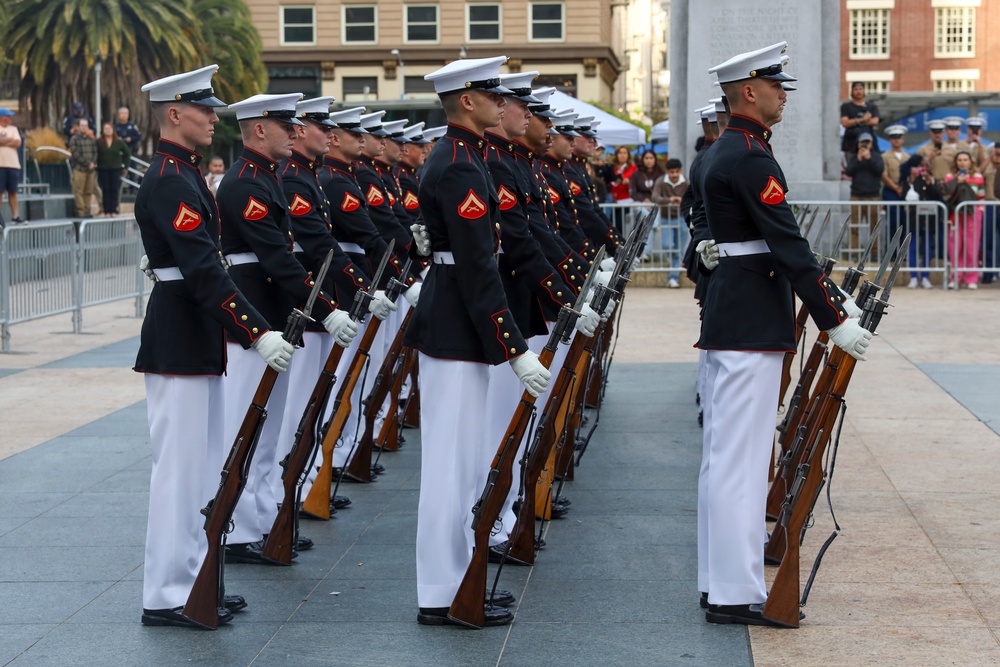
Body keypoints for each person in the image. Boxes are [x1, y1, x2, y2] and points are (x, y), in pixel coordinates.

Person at [697, 42, 870, 628]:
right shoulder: (749, 156)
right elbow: (787, 245)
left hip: (731, 314)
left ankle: (717, 579)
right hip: (750, 321)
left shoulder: (726, 150)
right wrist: (835, 318)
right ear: (748, 91)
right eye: (775, 86)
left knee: (724, 458)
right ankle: (732, 591)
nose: (783, 95)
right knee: (741, 463)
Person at [134, 64, 295, 629]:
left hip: (194, 334)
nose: (212, 118)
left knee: (201, 470)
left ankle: (193, 578)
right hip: (178, 336)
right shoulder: (170, 179)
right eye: (204, 110)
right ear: (175, 114)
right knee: (178, 471)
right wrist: (257, 329)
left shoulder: (185, 175)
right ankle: (165, 592)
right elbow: (202, 270)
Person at [402, 55, 550, 628]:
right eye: (491, 93)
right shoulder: (461, 164)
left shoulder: (463, 156)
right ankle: (440, 590)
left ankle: (457, 580)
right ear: (467, 99)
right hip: (456, 326)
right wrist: (513, 346)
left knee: (463, 465)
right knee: (450, 466)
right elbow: (477, 267)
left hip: (457, 324)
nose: (502, 102)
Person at [216, 93, 356, 564]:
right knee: (247, 425)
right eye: (285, 125)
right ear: (259, 129)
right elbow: (278, 256)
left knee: (270, 431)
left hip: (275, 315)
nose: (295, 132)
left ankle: (257, 520)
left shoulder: (270, 178)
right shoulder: (243, 183)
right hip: (252, 317)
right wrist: (328, 307)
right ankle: (234, 529)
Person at [942, 151, 985, 289]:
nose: (962, 162)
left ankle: (971, 277)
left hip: (972, 215)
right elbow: (946, 195)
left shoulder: (978, 177)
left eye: (965, 159)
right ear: (956, 162)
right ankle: (955, 277)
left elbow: (981, 197)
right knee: (955, 247)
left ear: (970, 162)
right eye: (959, 160)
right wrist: (957, 181)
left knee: (971, 247)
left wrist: (980, 211)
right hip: (955, 215)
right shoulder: (949, 177)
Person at [901, 155, 942, 289]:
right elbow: (904, 197)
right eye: (917, 166)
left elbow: (937, 196)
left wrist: (929, 182)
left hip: (928, 219)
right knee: (912, 248)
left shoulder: (930, 179)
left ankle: (925, 276)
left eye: (923, 166)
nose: (920, 169)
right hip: (913, 219)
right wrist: (912, 181)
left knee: (927, 248)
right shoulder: (907, 180)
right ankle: (913, 276)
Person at [844, 132, 884, 257]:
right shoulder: (854, 158)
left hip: (873, 197)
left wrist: (869, 158)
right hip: (856, 196)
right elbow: (849, 172)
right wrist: (859, 160)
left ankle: (875, 253)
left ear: (871, 144)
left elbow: (879, 170)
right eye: (862, 143)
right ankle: (854, 253)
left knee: (874, 226)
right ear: (858, 144)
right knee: (854, 226)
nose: (865, 145)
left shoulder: (877, 157)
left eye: (867, 143)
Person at [651, 157, 688, 287]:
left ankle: (673, 278)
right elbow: (655, 196)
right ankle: (674, 268)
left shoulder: (686, 182)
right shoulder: (661, 181)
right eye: (671, 172)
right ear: (667, 172)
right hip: (666, 217)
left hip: (682, 217)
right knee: (668, 246)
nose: (674, 175)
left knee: (680, 248)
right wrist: (669, 200)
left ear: (681, 171)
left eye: (677, 172)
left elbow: (693, 196)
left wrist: (682, 200)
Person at [881, 125, 910, 280]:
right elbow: (884, 175)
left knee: (904, 223)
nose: (896, 140)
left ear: (902, 139)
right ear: (890, 140)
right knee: (893, 222)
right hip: (891, 191)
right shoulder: (885, 156)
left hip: (904, 192)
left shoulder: (907, 156)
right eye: (894, 137)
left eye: (899, 137)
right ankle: (892, 254)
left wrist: (903, 189)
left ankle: (902, 253)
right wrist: (895, 187)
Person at [95, 121, 131, 216]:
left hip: (116, 169)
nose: (108, 130)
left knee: (115, 189)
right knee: (105, 189)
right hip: (103, 169)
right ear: (103, 130)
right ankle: (107, 210)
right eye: (106, 129)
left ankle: (114, 210)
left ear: (113, 130)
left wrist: (125, 166)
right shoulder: (99, 142)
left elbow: (127, 153)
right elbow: (95, 153)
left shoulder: (118, 142)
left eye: (109, 129)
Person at [839, 82, 880, 163]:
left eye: (860, 89)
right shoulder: (846, 107)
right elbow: (845, 123)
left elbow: (875, 121)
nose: (858, 92)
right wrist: (863, 119)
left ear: (864, 91)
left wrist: (854, 122)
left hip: (869, 142)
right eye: (856, 89)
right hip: (851, 143)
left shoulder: (871, 107)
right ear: (852, 91)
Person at [68, 118, 98, 217]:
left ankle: (87, 211)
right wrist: (87, 163)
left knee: (88, 191)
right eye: (82, 125)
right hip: (79, 169)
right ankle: (81, 212)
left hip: (91, 170)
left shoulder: (91, 140)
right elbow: (75, 154)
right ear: (78, 127)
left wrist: (93, 163)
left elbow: (95, 152)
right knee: (79, 191)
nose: (84, 127)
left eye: (85, 125)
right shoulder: (74, 139)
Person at [0, 108, 25, 224]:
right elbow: (12, 141)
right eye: (7, 116)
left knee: (13, 191)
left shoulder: (14, 129)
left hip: (13, 165)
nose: (10, 118)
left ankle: (15, 216)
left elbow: (18, 142)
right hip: (1, 165)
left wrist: (4, 141)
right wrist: (9, 140)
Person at [982, 146, 1000, 283]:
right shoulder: (987, 166)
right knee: (988, 240)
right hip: (989, 205)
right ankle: (988, 273)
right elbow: (976, 173)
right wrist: (990, 158)